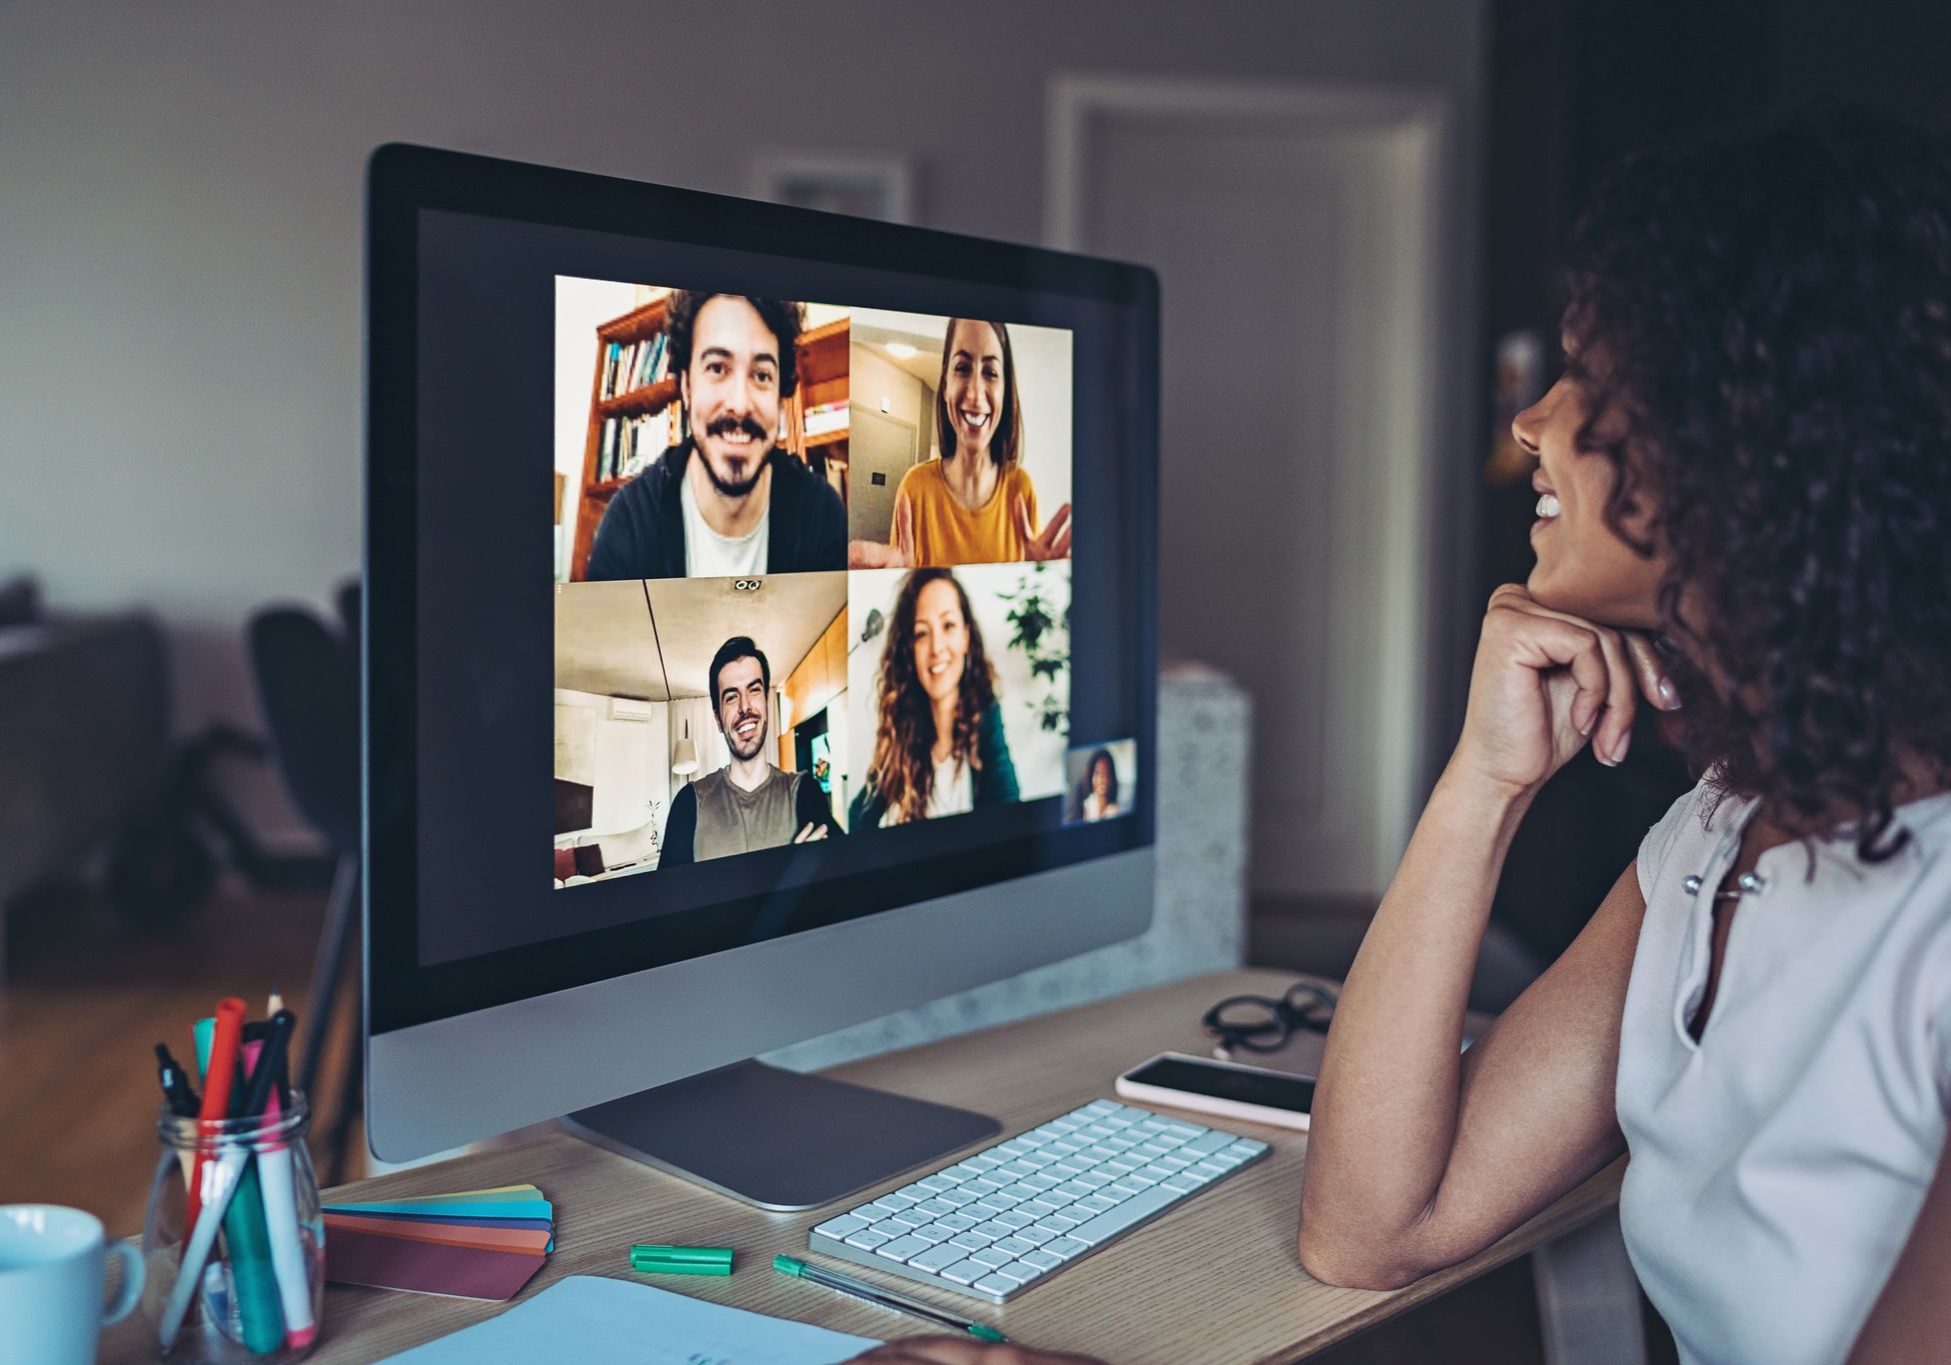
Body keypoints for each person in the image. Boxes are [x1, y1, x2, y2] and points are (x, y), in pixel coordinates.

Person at [1296, 106, 1951, 1365]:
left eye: (1590, 376)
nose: (1529, 420)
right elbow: (1373, 1227)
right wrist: (1483, 782)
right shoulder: (1720, 829)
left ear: (1748, 441)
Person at [586, 291, 846, 580]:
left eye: (761, 375)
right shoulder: (630, 522)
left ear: (780, 398)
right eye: (717, 368)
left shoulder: (821, 515)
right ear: (686, 386)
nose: (740, 403)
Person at [849, 319, 1072, 569]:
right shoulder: (915, 488)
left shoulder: (1021, 488)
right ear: (945, 385)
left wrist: (1042, 577)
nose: (975, 394)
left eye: (990, 373)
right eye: (963, 368)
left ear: (1005, 390)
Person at [850, 569, 1019, 828]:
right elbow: (858, 816)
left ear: (965, 636)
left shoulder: (987, 717)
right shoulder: (900, 733)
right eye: (921, 633)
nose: (936, 647)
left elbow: (1009, 815)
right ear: (910, 650)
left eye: (948, 626)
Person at [660, 636, 835, 864]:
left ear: (766, 701)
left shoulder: (804, 792)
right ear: (718, 719)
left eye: (754, 690)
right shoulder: (688, 804)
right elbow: (669, 898)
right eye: (732, 697)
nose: (745, 707)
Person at [1078, 748, 1121, 821]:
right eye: (1098, 773)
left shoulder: (1115, 811)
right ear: (1091, 776)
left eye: (1107, 774)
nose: (1102, 780)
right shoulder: (1084, 806)